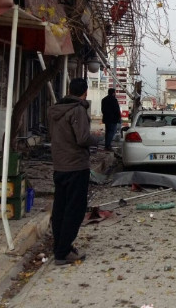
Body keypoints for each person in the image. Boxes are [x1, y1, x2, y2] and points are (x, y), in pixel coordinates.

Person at [48, 78, 98, 265]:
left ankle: (60, 246)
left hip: (59, 165)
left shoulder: (55, 110)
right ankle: (63, 252)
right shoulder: (78, 110)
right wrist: (96, 140)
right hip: (76, 166)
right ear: (85, 92)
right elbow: (83, 138)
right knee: (74, 210)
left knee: (60, 207)